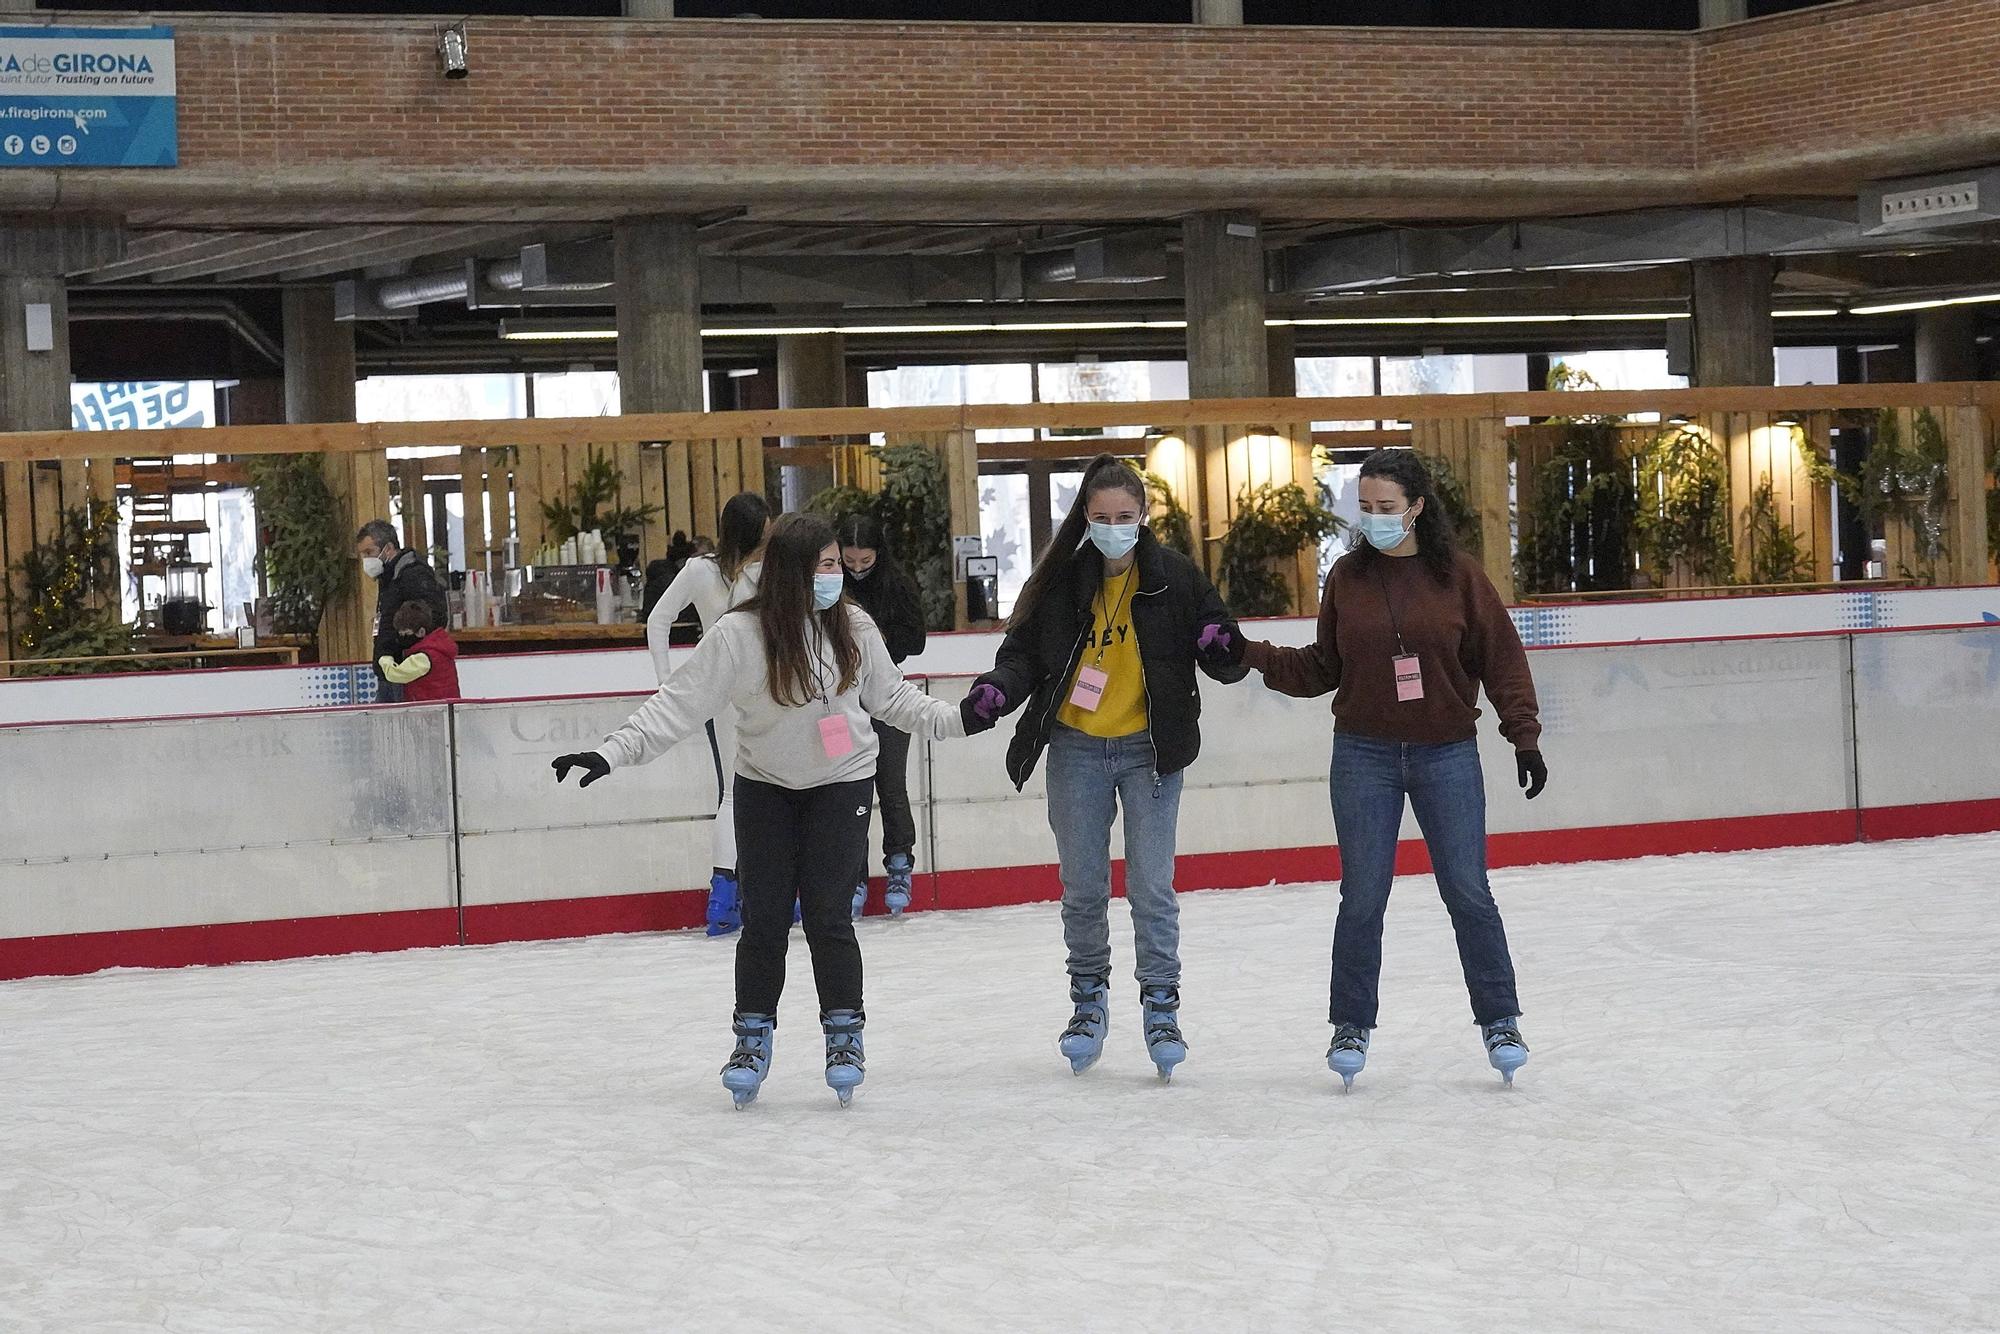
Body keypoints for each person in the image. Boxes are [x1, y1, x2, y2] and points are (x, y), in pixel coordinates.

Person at [552, 512, 992, 1110]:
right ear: (786, 573)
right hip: (764, 785)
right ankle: (751, 1037)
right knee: (763, 920)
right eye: (821, 565)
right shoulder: (739, 635)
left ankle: (844, 1035)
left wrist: (960, 719)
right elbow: (675, 706)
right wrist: (610, 753)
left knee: (829, 916)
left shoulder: (854, 626)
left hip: (842, 781)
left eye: (835, 563)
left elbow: (895, 700)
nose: (832, 575)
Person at [1207, 448, 1547, 1090]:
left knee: (1468, 891)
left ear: (1417, 507)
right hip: (1363, 754)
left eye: (1386, 508)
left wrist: (1522, 736)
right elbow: (1321, 668)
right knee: (1362, 896)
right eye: (1364, 508)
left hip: (1446, 751)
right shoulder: (1347, 578)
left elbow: (1502, 659)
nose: (1373, 519)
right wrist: (1249, 653)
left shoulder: (1461, 579)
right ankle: (1351, 1023)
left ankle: (1500, 1017)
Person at [965, 454, 1244, 1082]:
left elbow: (1222, 644)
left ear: (1143, 517)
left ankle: (1161, 1002)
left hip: (1151, 751)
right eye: (1102, 517)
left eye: (1125, 516)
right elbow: (1021, 657)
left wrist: (1221, 645)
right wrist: (996, 691)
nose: (1115, 527)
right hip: (1077, 750)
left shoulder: (1173, 577)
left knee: (1152, 887)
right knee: (1084, 887)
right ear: (1085, 520)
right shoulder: (1063, 583)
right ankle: (1088, 999)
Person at [644, 492, 771, 938]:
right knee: (773, 791)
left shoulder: (700, 571)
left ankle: (723, 894)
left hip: (718, 689)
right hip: (765, 691)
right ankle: (763, 892)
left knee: (733, 794)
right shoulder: (766, 572)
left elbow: (657, 621)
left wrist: (668, 681)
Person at [836, 513, 928, 919]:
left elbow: (916, 639)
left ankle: (899, 863)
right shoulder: (828, 585)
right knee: (843, 788)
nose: (856, 571)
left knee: (890, 785)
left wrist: (879, 645)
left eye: (865, 562)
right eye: (849, 562)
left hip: (888, 699)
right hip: (838, 705)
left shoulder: (898, 585)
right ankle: (852, 873)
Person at [356, 520, 448, 704]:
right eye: (363, 555)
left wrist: (401, 644)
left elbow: (434, 618)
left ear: (388, 548)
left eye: (369, 552)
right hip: (391, 668)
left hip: (405, 670)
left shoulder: (414, 575)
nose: (366, 560)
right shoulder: (389, 577)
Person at [377, 600, 461, 702]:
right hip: (447, 707)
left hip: (432, 710)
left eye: (406, 634)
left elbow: (396, 674)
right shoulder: (438, 647)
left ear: (421, 632)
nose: (402, 638)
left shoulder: (423, 657)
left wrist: (385, 658)